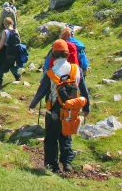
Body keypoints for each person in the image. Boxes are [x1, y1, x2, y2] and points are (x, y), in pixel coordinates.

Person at [29, 39, 90, 174]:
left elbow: (42, 91)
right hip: (71, 111)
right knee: (66, 136)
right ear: (67, 54)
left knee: (51, 138)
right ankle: (67, 163)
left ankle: (52, 165)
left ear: (53, 54)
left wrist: (32, 105)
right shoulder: (76, 69)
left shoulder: (51, 72)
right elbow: (84, 91)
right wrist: (86, 108)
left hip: (54, 111)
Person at [0, 17, 21, 87]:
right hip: (14, 51)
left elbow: (1, 44)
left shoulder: (5, 32)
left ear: (5, 24)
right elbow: (19, 42)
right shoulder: (16, 31)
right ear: (12, 23)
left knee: (0, 65)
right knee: (11, 64)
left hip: (5, 51)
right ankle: (17, 76)